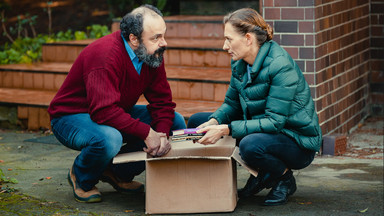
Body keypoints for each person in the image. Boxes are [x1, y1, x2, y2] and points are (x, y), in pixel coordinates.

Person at [48, 4, 186, 203]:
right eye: (156, 37)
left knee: (175, 122)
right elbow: (103, 112)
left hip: (111, 111)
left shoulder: (151, 53)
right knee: (109, 139)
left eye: (163, 35)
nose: (163, 43)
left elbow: (163, 102)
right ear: (133, 39)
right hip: (70, 117)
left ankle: (116, 172)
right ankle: (81, 176)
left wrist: (162, 134)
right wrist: (147, 133)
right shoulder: (105, 55)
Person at [187, 8, 322, 206]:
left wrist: (226, 129)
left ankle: (284, 179)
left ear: (248, 38)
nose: (225, 46)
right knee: (199, 122)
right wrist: (215, 121)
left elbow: (275, 122)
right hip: (264, 131)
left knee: (250, 145)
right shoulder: (240, 63)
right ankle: (262, 174)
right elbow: (232, 104)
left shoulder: (280, 66)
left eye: (229, 39)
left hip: (296, 141)